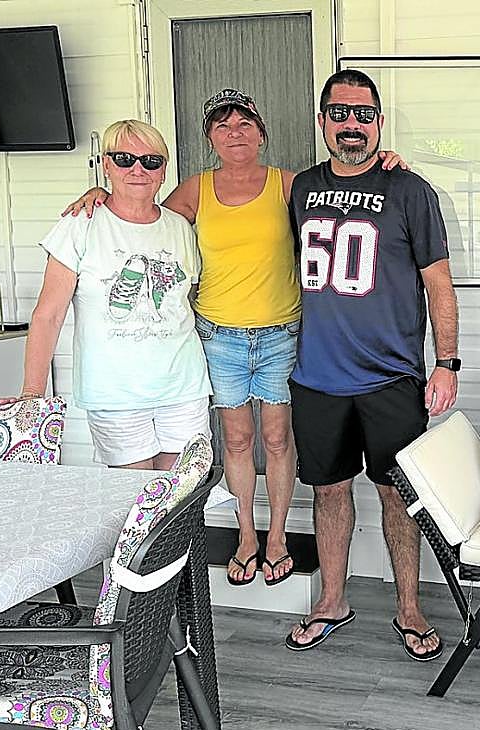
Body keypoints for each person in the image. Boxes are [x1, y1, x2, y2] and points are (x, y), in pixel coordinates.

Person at [62, 90, 406, 587]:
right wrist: (98, 195)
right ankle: (247, 535)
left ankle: (278, 538)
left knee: (277, 438)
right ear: (209, 140)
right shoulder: (194, 191)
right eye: (222, 127)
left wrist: (385, 163)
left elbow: (350, 208)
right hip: (219, 336)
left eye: (244, 124)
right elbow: (139, 212)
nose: (235, 133)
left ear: (261, 133)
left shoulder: (291, 185)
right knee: (238, 440)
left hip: (282, 333)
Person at [283, 69, 458, 661]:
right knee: (329, 492)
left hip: (391, 377)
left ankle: (408, 606)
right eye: (339, 113)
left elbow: (438, 283)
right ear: (323, 122)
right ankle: (332, 600)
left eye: (363, 114)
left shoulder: (411, 190)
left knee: (395, 494)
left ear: (379, 122)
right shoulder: (301, 188)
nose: (350, 124)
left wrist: (447, 362)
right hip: (317, 376)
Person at [3, 119, 210, 470]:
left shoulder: (179, 227)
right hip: (115, 392)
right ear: (106, 165)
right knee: (132, 500)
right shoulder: (79, 224)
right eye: (124, 159)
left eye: (151, 161)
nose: (138, 169)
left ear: (163, 171)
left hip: (183, 386)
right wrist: (31, 394)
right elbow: (48, 315)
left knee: (180, 495)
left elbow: (185, 299)